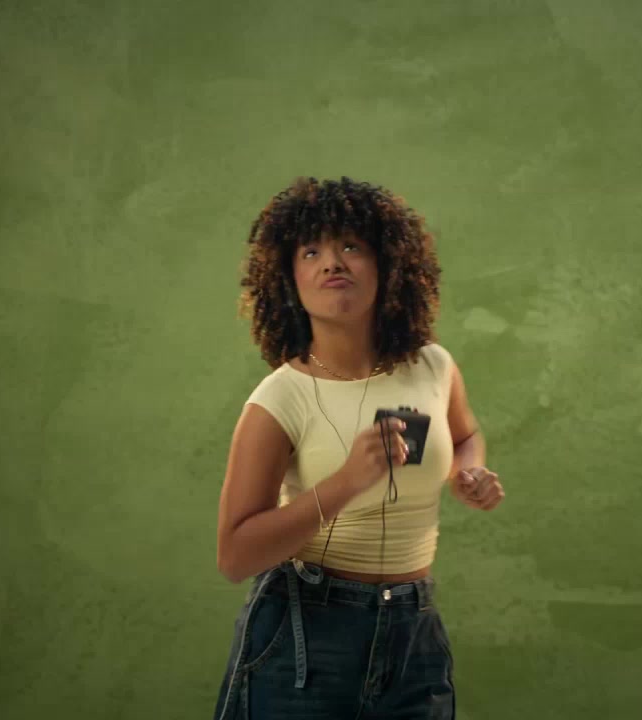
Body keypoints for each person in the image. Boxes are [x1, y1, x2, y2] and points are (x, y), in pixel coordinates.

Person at [213, 176, 504, 719]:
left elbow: (465, 435)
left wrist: (470, 472)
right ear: (289, 280)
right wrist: (346, 482)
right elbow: (235, 557)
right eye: (311, 251)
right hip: (305, 634)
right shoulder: (279, 399)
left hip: (415, 633)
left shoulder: (433, 367)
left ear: (387, 266)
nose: (332, 262)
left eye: (351, 246)